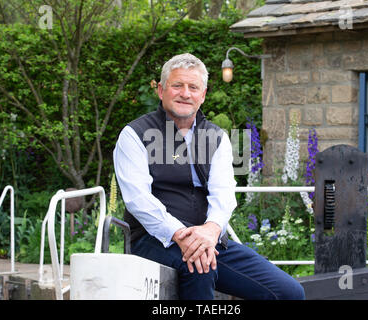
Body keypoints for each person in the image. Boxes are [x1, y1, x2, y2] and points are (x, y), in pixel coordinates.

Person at [113, 53, 305, 300]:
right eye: (177, 85)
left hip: (210, 240)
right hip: (154, 239)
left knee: (289, 293)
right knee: (199, 268)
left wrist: (211, 231)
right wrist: (182, 235)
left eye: (193, 87)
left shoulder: (216, 137)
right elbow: (138, 199)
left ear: (202, 95)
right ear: (161, 91)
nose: (185, 93)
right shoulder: (134, 134)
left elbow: (224, 193)